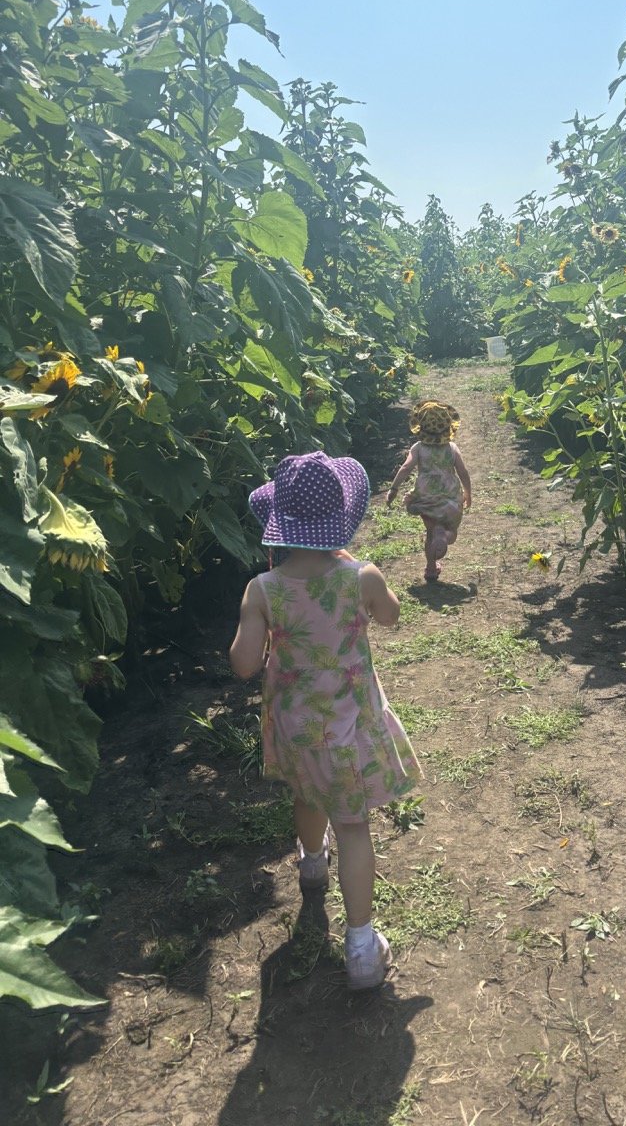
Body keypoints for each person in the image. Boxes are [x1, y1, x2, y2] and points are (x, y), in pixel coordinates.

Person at [230, 451, 422, 990]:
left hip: (295, 727)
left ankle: (311, 862)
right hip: (350, 724)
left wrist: (260, 630)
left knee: (306, 793)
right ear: (341, 519)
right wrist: (371, 589)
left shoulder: (262, 589)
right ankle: (361, 947)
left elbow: (245, 664)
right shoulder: (359, 575)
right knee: (354, 823)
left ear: (280, 525)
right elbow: (390, 615)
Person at [385, 400, 472, 581]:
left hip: (426, 498)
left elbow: (406, 468)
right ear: (448, 426)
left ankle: (431, 568)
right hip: (449, 498)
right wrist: (468, 492)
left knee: (430, 533)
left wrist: (394, 488)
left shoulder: (418, 449)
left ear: (420, 427)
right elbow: (463, 472)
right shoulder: (452, 449)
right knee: (451, 532)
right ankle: (446, 536)